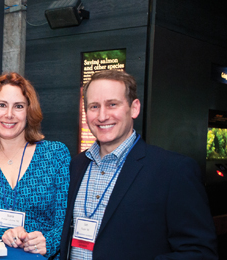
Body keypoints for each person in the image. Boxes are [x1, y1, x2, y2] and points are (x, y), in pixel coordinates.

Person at [59, 70, 218, 259]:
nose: (102, 116)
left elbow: (201, 253)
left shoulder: (173, 170)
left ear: (134, 108)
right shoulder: (76, 165)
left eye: (112, 104)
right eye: (94, 106)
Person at [0, 72, 70, 258]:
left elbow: (65, 221)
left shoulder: (55, 155)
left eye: (18, 106)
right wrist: (1, 235)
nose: (9, 115)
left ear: (29, 111)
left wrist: (47, 242)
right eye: (2, 105)